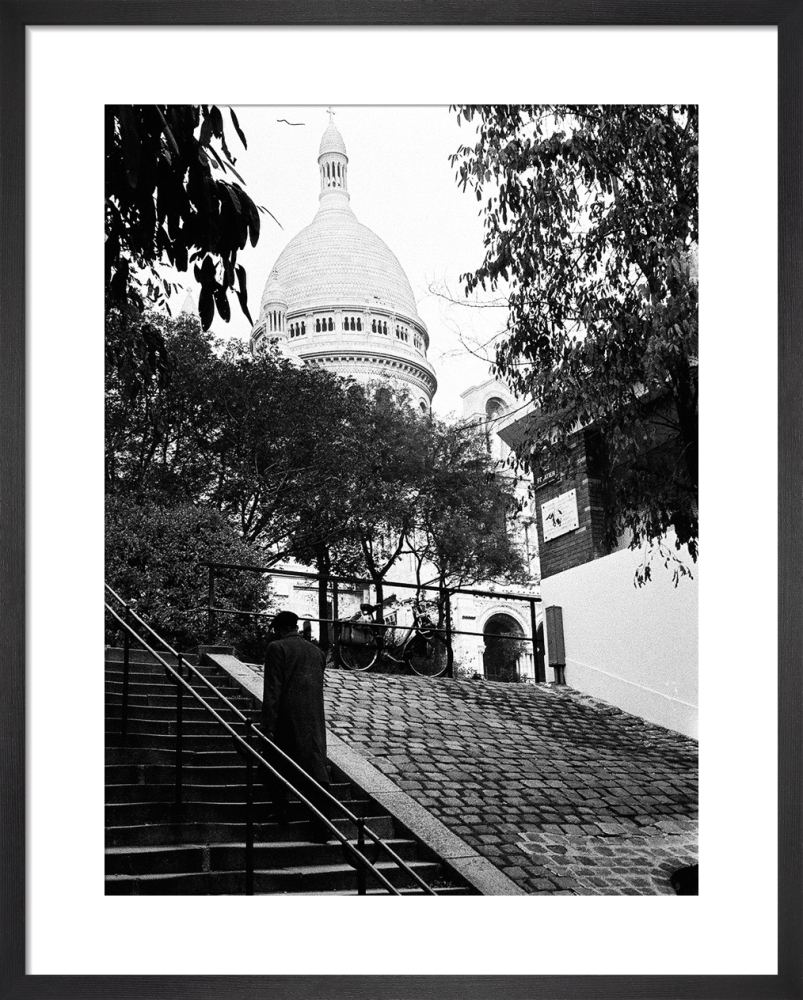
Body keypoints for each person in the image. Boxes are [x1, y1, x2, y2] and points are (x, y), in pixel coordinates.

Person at [261, 610, 334, 843]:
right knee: (314, 769)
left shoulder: (276, 648)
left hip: (286, 720)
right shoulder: (317, 652)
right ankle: (321, 827)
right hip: (313, 721)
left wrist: (267, 725)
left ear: (280, 629)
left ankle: (280, 810)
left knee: (272, 761)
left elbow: (273, 689)